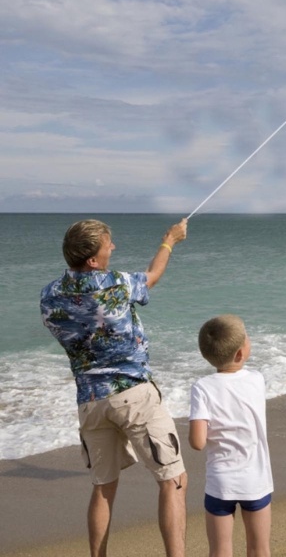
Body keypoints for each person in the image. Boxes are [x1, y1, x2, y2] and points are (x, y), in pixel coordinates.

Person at [40, 217, 189, 557]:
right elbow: (152, 276)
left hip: (90, 402)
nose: (114, 248)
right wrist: (169, 241)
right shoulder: (116, 284)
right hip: (133, 394)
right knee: (173, 480)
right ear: (93, 259)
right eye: (109, 245)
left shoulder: (49, 295)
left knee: (103, 488)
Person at [189, 314, 274, 557]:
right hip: (255, 480)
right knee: (259, 549)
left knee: (219, 551)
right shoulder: (257, 380)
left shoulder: (202, 387)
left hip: (221, 482)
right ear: (240, 353)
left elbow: (197, 442)